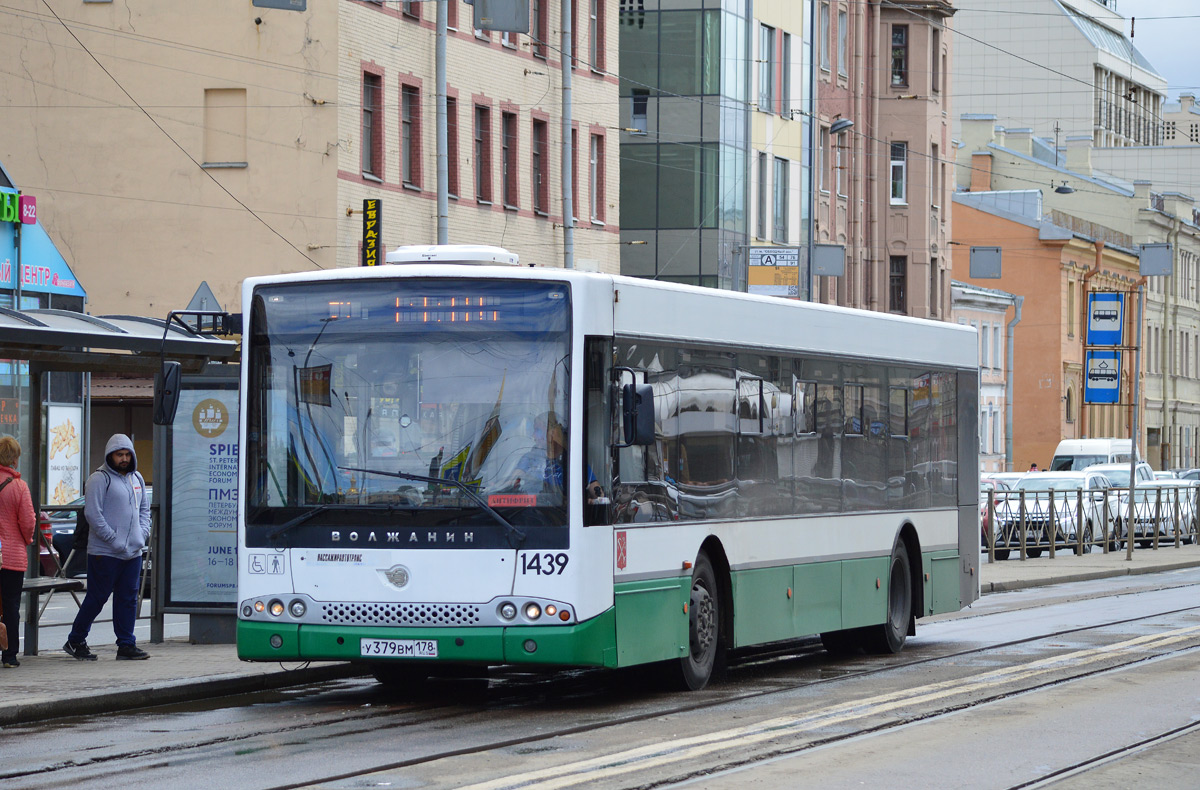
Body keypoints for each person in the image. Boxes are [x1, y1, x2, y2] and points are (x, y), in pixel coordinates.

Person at [64, 434, 151, 661]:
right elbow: (93, 514)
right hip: (105, 552)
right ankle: (75, 640)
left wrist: (142, 535)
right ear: (110, 455)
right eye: (119, 454)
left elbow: (144, 511)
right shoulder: (98, 479)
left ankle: (126, 644)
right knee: (97, 598)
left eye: (127, 454)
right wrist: (114, 540)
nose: (123, 459)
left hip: (133, 552)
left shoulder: (137, 479)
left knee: (128, 598)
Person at [0, 436, 36, 668]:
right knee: (11, 605)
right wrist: (27, 539)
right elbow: (28, 521)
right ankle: (10, 656)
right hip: (11, 558)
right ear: (14, 458)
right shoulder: (19, 487)